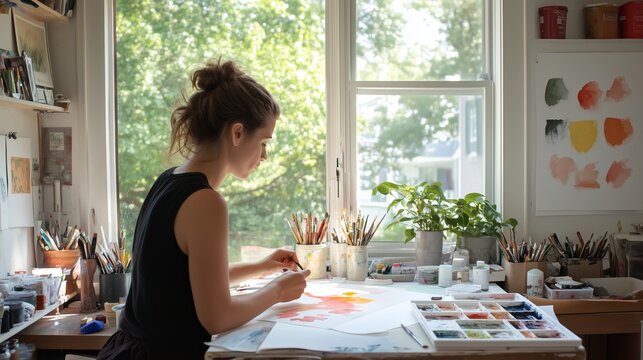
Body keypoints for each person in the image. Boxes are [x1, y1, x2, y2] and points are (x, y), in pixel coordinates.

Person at [98, 59, 311, 360]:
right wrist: (277, 291)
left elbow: (187, 280)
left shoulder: (170, 179)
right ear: (237, 133)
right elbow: (218, 316)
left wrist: (264, 267)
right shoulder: (206, 201)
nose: (264, 156)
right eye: (263, 142)